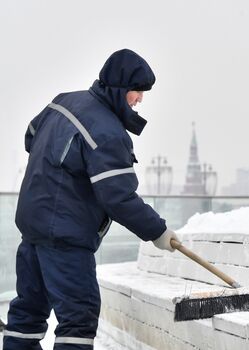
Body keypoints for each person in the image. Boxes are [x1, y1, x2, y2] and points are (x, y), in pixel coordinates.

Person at [3, 49, 178, 350]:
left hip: (33, 231)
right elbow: (119, 197)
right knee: (78, 321)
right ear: (121, 89)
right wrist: (158, 231)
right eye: (137, 91)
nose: (140, 99)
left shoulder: (62, 102)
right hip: (65, 242)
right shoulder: (108, 133)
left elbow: (31, 137)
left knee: (27, 314)